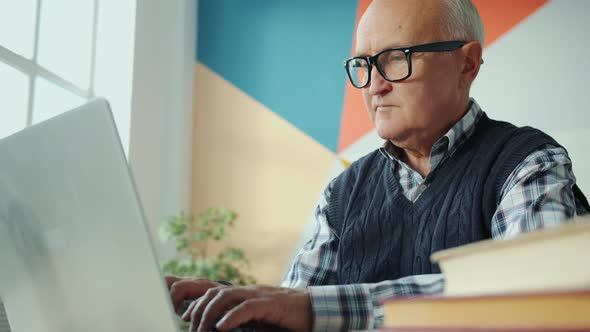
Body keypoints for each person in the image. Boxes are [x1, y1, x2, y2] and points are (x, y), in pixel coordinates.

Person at [166, 0, 589, 331]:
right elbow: (294, 309)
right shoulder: (342, 192)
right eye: (364, 64)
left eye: (395, 58)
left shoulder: (527, 162)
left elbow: (530, 297)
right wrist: (236, 307)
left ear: (467, 64)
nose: (374, 84)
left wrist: (309, 309)